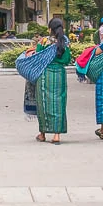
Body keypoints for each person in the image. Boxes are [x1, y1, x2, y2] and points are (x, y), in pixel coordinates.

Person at [27, 17, 71, 145]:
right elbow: (67, 59)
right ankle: (57, 135)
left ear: (50, 28)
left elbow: (38, 57)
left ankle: (42, 134)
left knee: (44, 104)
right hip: (59, 75)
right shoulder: (65, 41)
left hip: (45, 75)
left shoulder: (44, 41)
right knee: (59, 103)